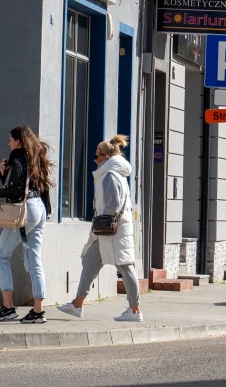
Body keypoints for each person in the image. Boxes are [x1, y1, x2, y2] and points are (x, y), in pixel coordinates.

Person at [58, 135, 144, 322]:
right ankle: (77, 304)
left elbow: (112, 204)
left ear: (105, 157)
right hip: (106, 231)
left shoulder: (110, 175)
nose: (94, 160)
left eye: (96, 156)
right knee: (90, 262)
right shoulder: (111, 173)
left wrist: (103, 219)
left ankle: (135, 310)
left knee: (125, 267)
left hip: (112, 230)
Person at [0, 125, 52, 323]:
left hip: (24, 210)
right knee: (34, 259)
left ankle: (8, 307)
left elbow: (15, 190)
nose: (9, 143)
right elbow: (31, 185)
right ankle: (38, 311)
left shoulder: (17, 155)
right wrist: (4, 173)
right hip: (39, 208)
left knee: (0, 257)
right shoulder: (37, 155)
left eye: (10, 140)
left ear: (19, 141)